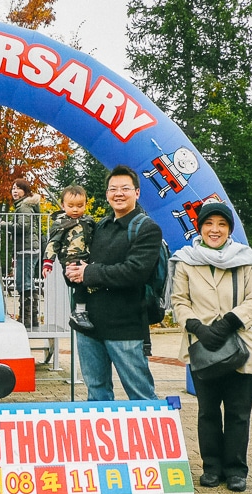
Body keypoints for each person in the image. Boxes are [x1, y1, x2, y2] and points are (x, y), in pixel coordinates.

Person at [169, 200, 252, 492]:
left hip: (239, 346)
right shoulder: (185, 260)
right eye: (209, 224)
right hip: (202, 347)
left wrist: (228, 324)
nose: (215, 230)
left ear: (229, 229)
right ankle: (211, 467)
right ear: (200, 228)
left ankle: (236, 469)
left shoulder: (245, 260)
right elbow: (179, 301)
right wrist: (197, 327)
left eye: (222, 224)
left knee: (238, 413)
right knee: (207, 412)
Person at [65, 165, 161, 401]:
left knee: (141, 395)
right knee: (96, 395)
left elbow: (135, 272)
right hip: (89, 328)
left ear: (137, 193)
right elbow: (84, 265)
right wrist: (73, 272)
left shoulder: (147, 229)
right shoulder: (99, 227)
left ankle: (147, 438)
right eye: (113, 189)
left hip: (125, 327)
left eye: (125, 188)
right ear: (107, 194)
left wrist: (89, 273)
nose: (118, 194)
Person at [41, 185, 96, 330]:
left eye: (80, 205)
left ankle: (85, 310)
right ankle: (79, 311)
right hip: (70, 259)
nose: (75, 209)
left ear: (85, 204)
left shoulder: (88, 222)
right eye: (71, 206)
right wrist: (48, 262)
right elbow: (53, 243)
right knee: (80, 284)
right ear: (63, 205)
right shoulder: (61, 224)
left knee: (91, 282)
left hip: (87, 258)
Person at [2, 179, 42, 328]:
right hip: (28, 248)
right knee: (27, 281)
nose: (14, 191)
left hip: (27, 248)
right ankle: (31, 317)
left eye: (18, 188)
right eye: (13, 188)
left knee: (24, 282)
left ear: (25, 191)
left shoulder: (24, 206)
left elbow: (23, 226)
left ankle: (27, 318)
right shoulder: (24, 205)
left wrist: (5, 225)